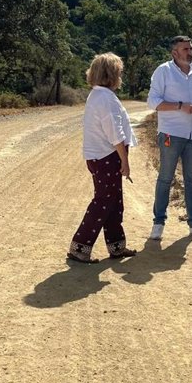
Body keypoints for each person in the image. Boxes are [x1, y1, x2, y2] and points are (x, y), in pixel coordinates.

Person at [67, 52, 138, 263]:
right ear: (111, 73)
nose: (121, 75)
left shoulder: (98, 95)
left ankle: (116, 246)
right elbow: (114, 132)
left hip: (100, 156)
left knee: (113, 202)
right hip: (106, 156)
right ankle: (80, 247)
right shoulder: (106, 98)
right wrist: (125, 161)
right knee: (103, 202)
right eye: (119, 71)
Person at [146, 36, 192, 240]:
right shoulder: (163, 71)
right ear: (174, 53)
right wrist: (179, 106)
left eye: (191, 48)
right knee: (166, 178)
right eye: (185, 49)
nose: (190, 52)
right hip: (171, 133)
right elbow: (153, 102)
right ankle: (158, 223)